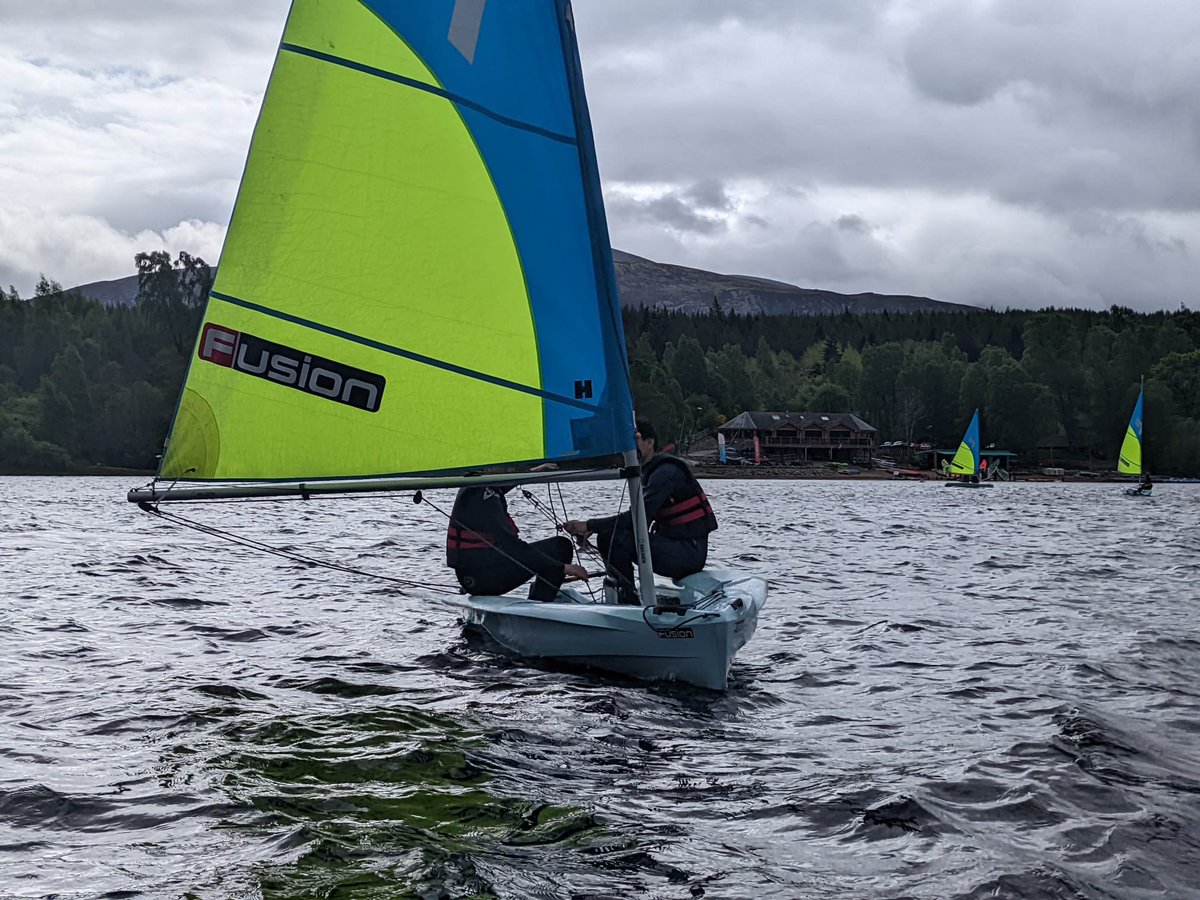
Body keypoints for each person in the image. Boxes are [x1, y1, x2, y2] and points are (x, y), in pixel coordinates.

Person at [564, 419, 717, 604]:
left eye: (635, 440)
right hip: (672, 546)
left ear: (650, 442)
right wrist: (594, 528)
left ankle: (628, 600)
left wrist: (589, 525)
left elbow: (636, 518)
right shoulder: (650, 474)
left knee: (611, 538)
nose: (629, 447)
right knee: (608, 536)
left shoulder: (666, 472)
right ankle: (623, 593)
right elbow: (637, 520)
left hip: (688, 554)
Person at [446, 480, 588, 602]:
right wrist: (562, 568)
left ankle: (539, 603)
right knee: (560, 548)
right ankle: (539, 611)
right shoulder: (486, 496)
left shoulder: (476, 486)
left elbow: (502, 483)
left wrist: (531, 472)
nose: (513, 469)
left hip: (474, 576)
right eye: (509, 467)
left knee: (556, 548)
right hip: (483, 579)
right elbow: (513, 548)